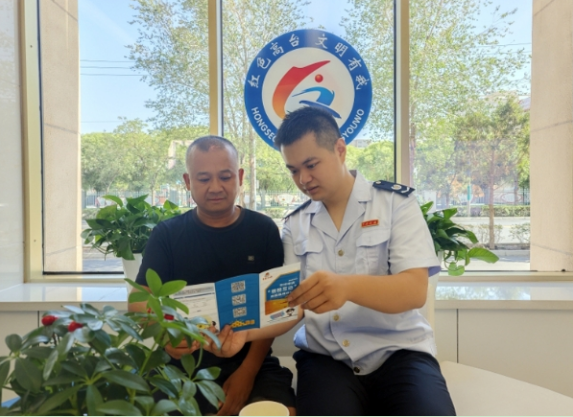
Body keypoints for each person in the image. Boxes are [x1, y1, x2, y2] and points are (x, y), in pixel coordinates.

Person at [273, 106, 456, 415]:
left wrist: (345, 287)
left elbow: (414, 291)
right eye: (293, 170)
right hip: (326, 359)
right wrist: (242, 334)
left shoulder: (395, 204)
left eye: (311, 165)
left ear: (340, 149)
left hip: (400, 353)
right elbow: (292, 305)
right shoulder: (295, 223)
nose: (303, 179)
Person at [128, 136, 296, 416]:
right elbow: (138, 300)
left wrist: (246, 374)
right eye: (204, 178)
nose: (215, 187)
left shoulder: (263, 230)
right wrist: (168, 336)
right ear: (187, 181)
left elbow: (274, 310)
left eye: (225, 177)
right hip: (180, 364)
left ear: (240, 177)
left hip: (251, 361)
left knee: (282, 411)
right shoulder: (167, 235)